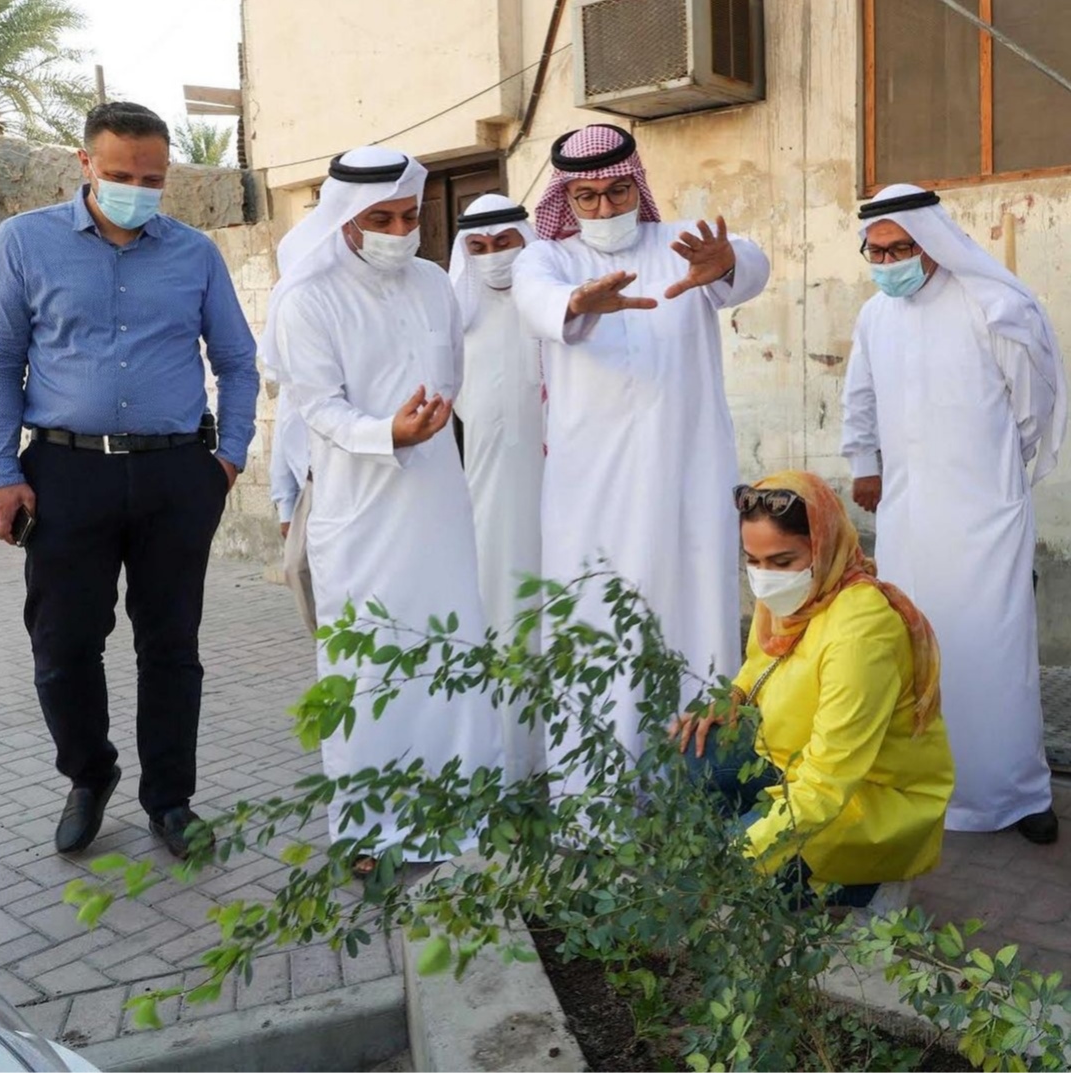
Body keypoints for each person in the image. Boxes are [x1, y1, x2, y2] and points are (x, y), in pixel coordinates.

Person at [0, 102, 259, 858]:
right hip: (66, 471)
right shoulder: (23, 243)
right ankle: (88, 772)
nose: (137, 190)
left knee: (171, 644)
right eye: (119, 176)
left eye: (152, 179)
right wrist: (1, 472)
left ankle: (169, 800)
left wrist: (227, 457)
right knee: (63, 644)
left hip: (177, 471)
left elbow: (237, 361)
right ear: (84, 165)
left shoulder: (194, 253)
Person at [261, 146, 503, 862]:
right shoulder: (309, 297)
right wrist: (386, 433)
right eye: (381, 217)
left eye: (410, 214)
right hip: (360, 513)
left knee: (452, 652)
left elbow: (449, 374)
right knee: (370, 671)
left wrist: (418, 431)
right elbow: (319, 411)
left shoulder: (434, 282)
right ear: (343, 219)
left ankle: (463, 810)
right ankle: (371, 828)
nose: (400, 230)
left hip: (438, 504)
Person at [512, 123, 770, 789]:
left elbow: (744, 261)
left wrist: (730, 266)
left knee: (694, 627)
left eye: (617, 191)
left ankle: (694, 793)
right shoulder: (550, 259)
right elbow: (536, 299)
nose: (603, 209)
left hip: (686, 481)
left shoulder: (680, 244)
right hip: (591, 497)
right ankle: (593, 800)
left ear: (638, 185)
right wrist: (578, 303)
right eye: (587, 197)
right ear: (567, 199)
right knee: (597, 630)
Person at [841, 184, 1067, 843]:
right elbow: (860, 396)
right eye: (873, 251)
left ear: (931, 243)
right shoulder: (875, 317)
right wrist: (864, 463)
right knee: (920, 649)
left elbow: (1035, 408)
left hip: (985, 514)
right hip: (910, 517)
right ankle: (928, 786)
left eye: (898, 249)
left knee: (995, 651)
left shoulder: (994, 306)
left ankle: (1016, 793)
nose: (885, 262)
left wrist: (992, 473)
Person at [674, 472, 954, 910]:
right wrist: (733, 697)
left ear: (823, 546)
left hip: (868, 797)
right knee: (698, 747)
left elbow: (827, 781)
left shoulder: (862, 629)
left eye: (782, 562)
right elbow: (758, 664)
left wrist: (743, 854)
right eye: (753, 560)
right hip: (792, 760)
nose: (765, 578)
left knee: (737, 873)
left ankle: (871, 883)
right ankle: (779, 872)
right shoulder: (793, 598)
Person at [449, 193, 545, 780]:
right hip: (489, 502)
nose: (492, 258)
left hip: (565, 489)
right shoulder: (458, 320)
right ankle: (508, 761)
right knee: (503, 621)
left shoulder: (553, 307)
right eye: (478, 248)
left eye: (504, 243)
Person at [269, 383, 316, 633]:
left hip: (358, 480)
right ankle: (326, 644)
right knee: (296, 567)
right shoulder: (293, 368)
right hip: (312, 485)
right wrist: (286, 508)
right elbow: (283, 436)